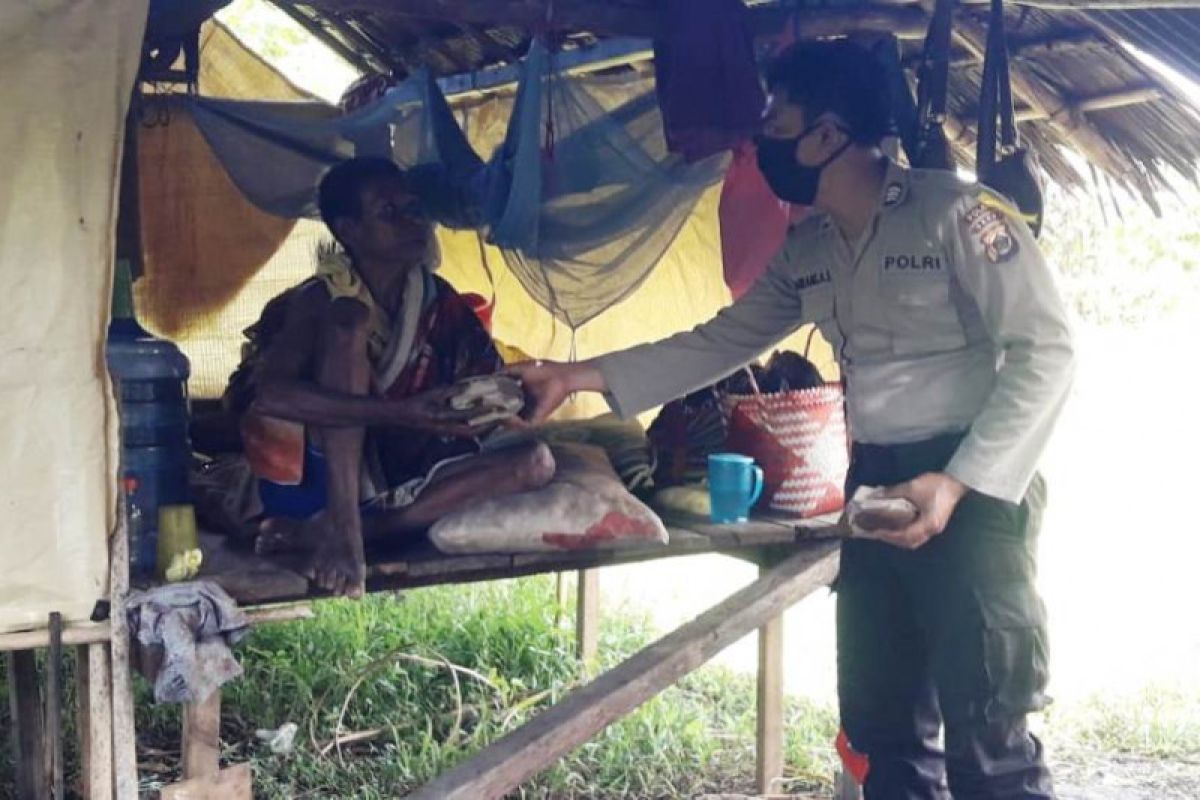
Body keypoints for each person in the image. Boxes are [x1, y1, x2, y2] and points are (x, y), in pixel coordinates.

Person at [511, 40, 1074, 799]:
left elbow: (1048, 350)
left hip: (971, 487)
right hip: (875, 481)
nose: (760, 136)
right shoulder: (807, 247)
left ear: (829, 135)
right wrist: (576, 375)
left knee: (989, 730)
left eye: (777, 118)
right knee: (883, 724)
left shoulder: (956, 214)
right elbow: (720, 340)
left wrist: (957, 483)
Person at [226, 157, 555, 598]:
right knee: (349, 323)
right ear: (348, 230)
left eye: (413, 209)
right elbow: (271, 397)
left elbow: (484, 380)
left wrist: (502, 399)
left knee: (537, 461)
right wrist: (401, 412)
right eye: (388, 212)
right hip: (321, 482)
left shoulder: (441, 302)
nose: (411, 223)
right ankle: (344, 531)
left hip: (408, 474)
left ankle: (350, 531)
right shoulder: (316, 301)